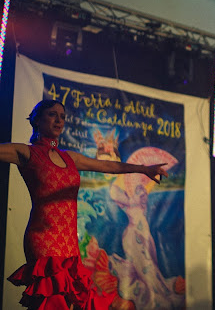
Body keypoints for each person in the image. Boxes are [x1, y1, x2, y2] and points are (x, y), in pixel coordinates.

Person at [0, 99, 168, 310]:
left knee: (72, 300)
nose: (59, 120)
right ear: (37, 120)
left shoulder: (70, 158)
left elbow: (109, 165)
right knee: (52, 301)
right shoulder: (27, 153)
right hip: (43, 238)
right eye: (52, 114)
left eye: (62, 116)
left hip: (69, 242)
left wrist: (144, 169)